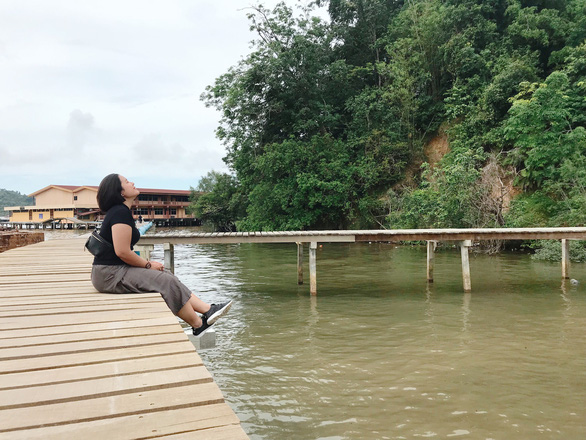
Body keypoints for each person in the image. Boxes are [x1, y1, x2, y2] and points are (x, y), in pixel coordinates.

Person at [91, 173, 231, 335]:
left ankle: (208, 310)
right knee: (164, 281)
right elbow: (122, 251)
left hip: (112, 271)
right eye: (127, 182)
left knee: (165, 274)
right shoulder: (119, 213)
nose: (132, 183)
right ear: (120, 191)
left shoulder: (120, 211)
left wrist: (149, 266)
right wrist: (148, 264)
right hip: (110, 275)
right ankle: (198, 324)